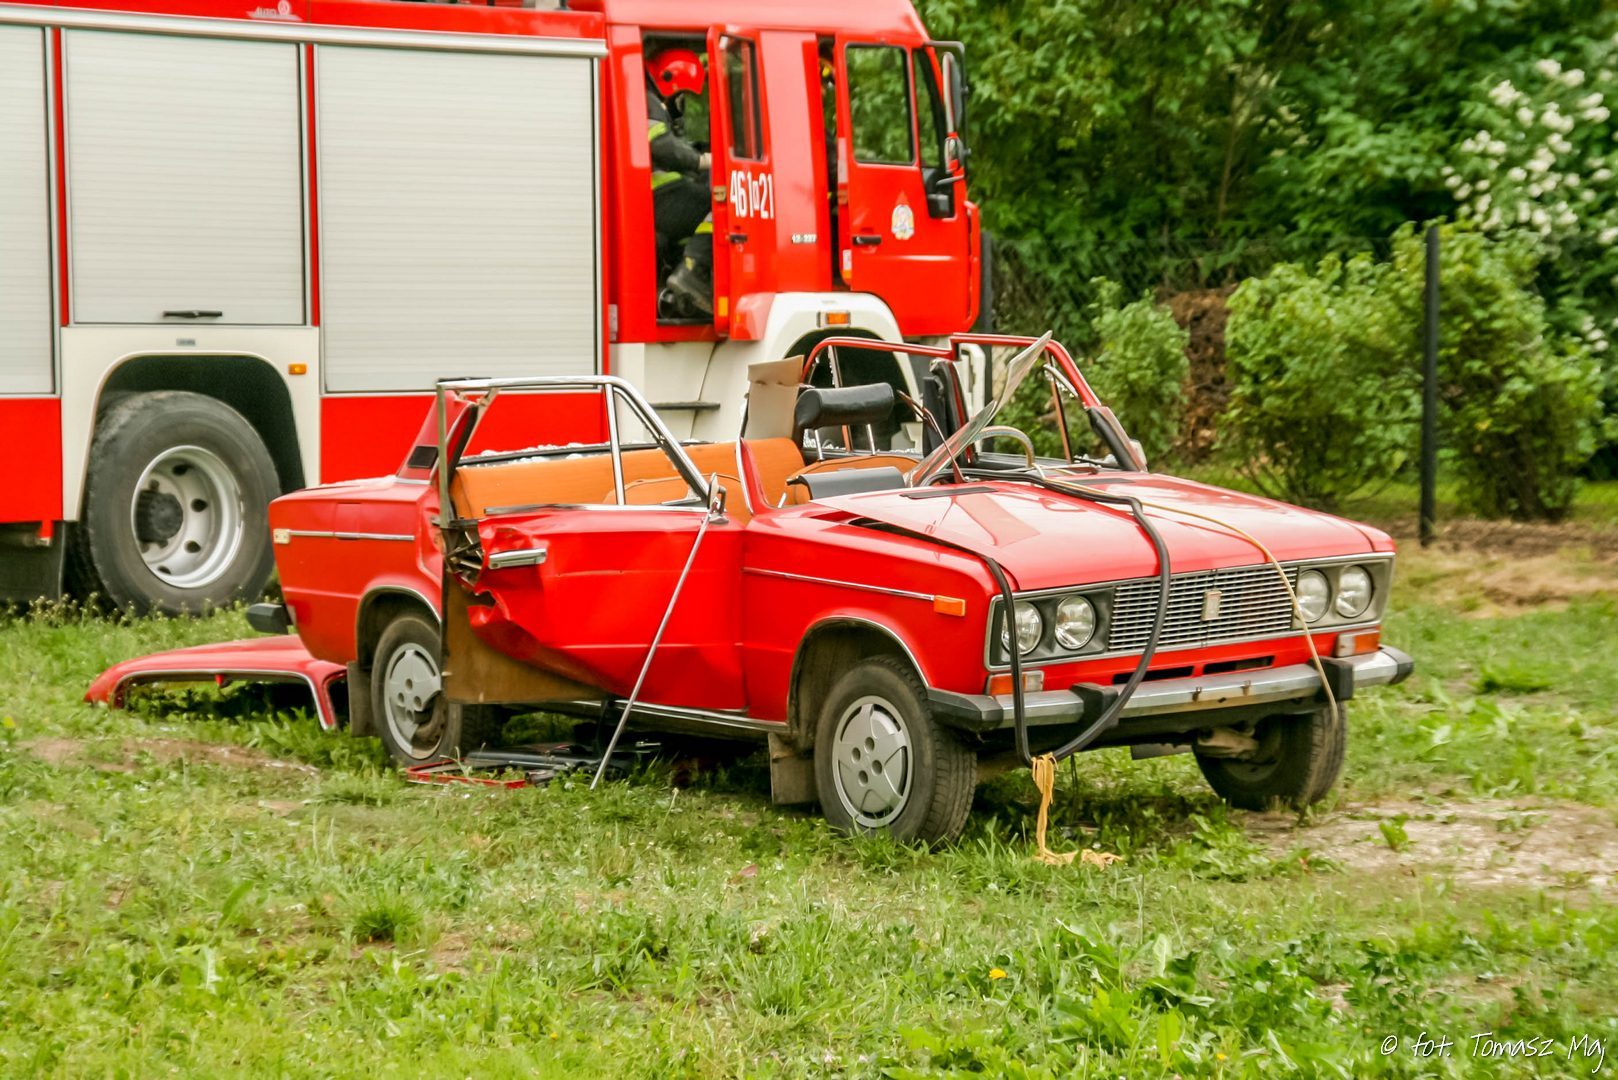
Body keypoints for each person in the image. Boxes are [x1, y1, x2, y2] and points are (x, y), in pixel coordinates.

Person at [646, 48, 714, 317]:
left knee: (692, 219)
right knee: (723, 207)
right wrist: (701, 161)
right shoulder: (650, 101)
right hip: (659, 194)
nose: (681, 105)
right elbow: (661, 145)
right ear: (671, 83)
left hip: (656, 196)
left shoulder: (647, 101)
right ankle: (692, 271)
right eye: (682, 97)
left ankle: (676, 282)